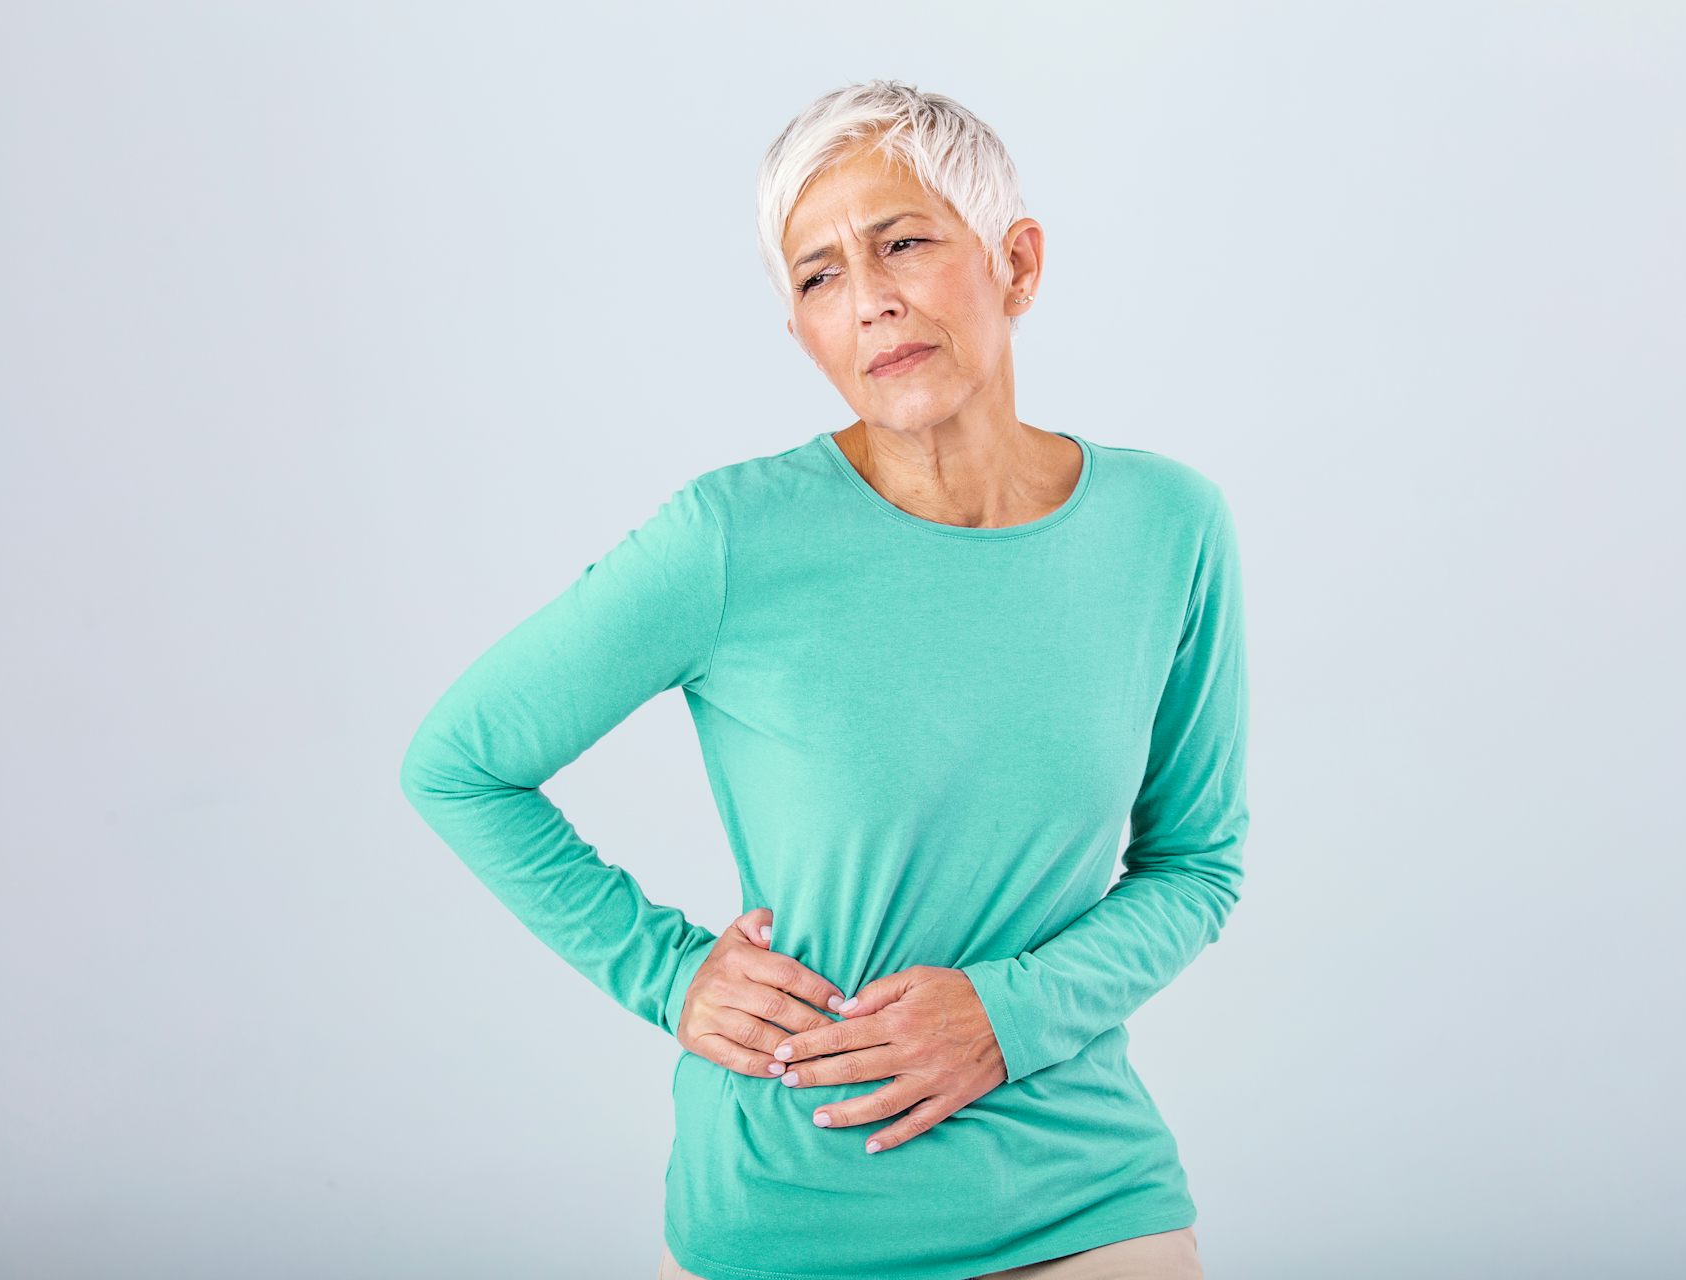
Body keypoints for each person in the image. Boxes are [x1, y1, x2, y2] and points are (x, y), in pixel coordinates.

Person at [399, 79, 1246, 1280]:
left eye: (903, 240)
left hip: (1084, 1193)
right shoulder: (730, 538)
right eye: (819, 274)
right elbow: (459, 762)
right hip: (789, 1208)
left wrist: (1006, 1015)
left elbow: (1197, 863)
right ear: (800, 329)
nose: (873, 297)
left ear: (1018, 260)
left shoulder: (1168, 524)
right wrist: (668, 973)